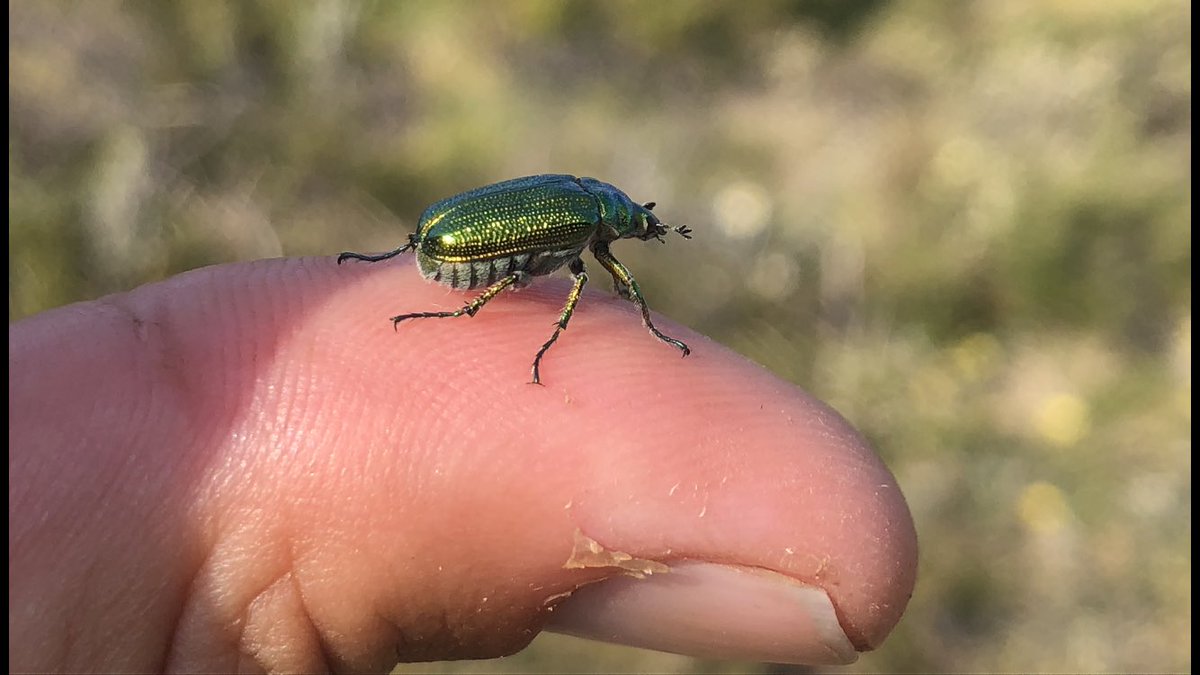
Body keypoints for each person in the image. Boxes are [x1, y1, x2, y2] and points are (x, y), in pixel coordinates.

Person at [8, 257, 918, 672]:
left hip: (446, 232)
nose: (633, 234)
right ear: (605, 221)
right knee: (560, 298)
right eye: (629, 224)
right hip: (453, 241)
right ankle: (471, 314)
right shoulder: (577, 223)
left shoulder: (584, 214)